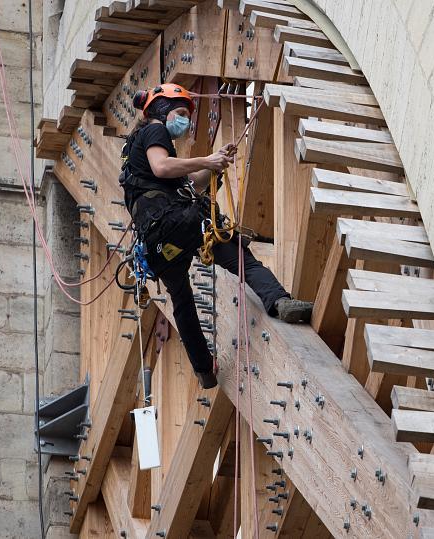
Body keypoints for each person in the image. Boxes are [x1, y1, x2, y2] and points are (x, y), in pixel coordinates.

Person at [119, 83, 312, 389]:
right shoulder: (154, 132)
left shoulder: (134, 150)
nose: (184, 121)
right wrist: (206, 160)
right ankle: (279, 303)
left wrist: (216, 165)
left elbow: (188, 184)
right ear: (163, 109)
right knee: (239, 257)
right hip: (177, 223)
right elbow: (162, 166)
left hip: (158, 243)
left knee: (181, 300)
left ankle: (203, 369)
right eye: (180, 113)